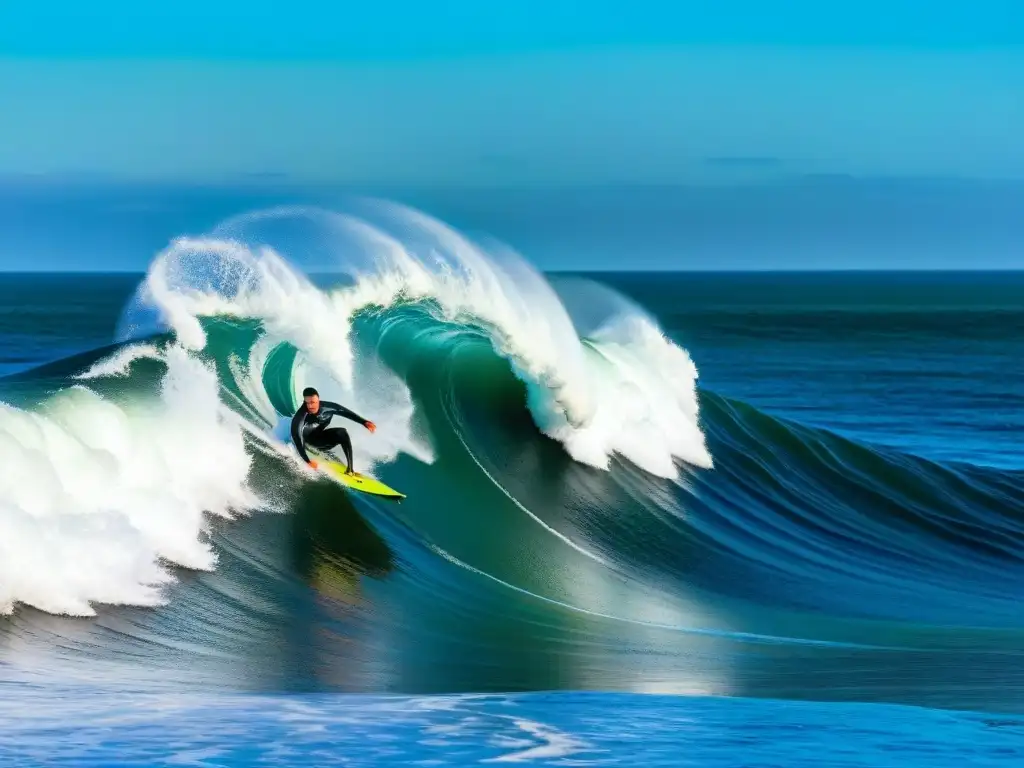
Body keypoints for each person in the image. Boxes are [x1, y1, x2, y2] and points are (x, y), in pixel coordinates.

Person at [291, 387, 376, 475]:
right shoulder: (300, 417)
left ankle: (350, 469)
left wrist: (364, 422)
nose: (310, 406)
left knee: (342, 432)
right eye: (307, 403)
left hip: (321, 440)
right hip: (308, 444)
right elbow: (296, 437)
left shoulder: (328, 408)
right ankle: (319, 452)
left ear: (318, 400)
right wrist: (307, 461)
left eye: (313, 402)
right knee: (304, 440)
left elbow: (346, 413)